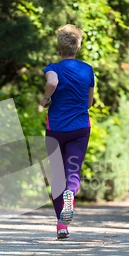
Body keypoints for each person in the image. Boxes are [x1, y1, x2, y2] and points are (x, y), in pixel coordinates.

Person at [40, 24, 94, 239]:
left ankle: (62, 226)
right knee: (73, 172)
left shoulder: (52, 68)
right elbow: (89, 102)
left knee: (56, 177)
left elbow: (52, 82)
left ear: (59, 48)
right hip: (80, 128)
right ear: (77, 48)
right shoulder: (87, 69)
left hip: (56, 129)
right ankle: (71, 193)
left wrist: (46, 99)